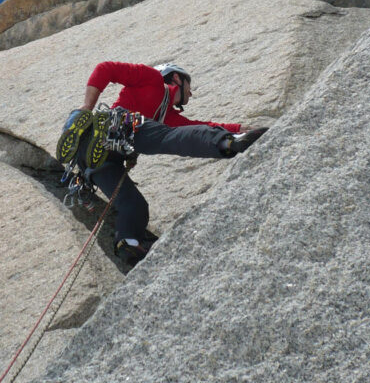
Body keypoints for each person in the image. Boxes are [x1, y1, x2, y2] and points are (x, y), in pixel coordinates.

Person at [57, 61, 267, 265]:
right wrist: (87, 107)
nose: (191, 94)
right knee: (171, 139)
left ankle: (128, 242)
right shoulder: (152, 79)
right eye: (190, 86)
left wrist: (240, 127)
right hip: (119, 126)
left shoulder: (168, 117)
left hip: (93, 159)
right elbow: (106, 68)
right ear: (177, 77)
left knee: (133, 205)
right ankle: (229, 142)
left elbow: (202, 126)